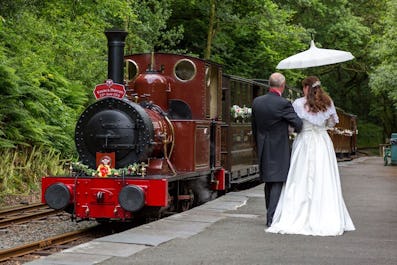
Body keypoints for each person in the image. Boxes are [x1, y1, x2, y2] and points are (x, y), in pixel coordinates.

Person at [266, 76, 355, 236]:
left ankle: (297, 214)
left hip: (304, 142)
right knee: (323, 176)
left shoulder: (298, 104)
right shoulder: (328, 102)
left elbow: (293, 127)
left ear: (307, 87)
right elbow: (332, 124)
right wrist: (320, 125)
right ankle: (325, 214)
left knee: (300, 176)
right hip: (322, 142)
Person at [251, 72, 303, 227]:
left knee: (269, 181)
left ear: (269, 84)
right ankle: (271, 217)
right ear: (283, 85)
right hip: (278, 147)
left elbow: (254, 127)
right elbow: (298, 124)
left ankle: (270, 212)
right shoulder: (283, 103)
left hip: (262, 146)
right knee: (278, 180)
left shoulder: (257, 102)